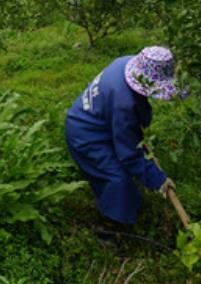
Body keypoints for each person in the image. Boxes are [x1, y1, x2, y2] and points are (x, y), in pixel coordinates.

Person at [64, 46, 184, 247]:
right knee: (117, 180)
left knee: (122, 174)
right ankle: (108, 228)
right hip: (85, 134)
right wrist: (158, 180)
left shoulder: (126, 63)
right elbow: (128, 155)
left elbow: (137, 111)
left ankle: (125, 209)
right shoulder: (123, 104)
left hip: (98, 120)